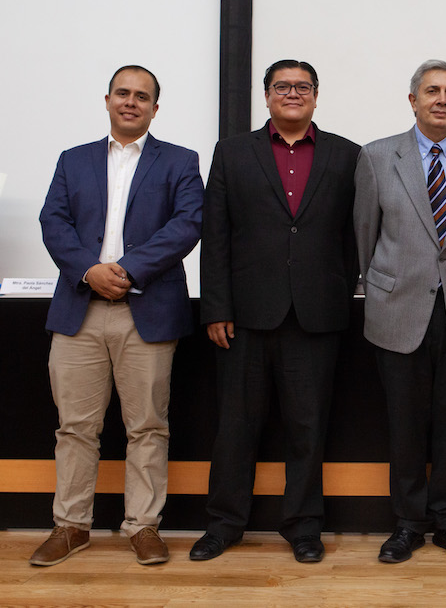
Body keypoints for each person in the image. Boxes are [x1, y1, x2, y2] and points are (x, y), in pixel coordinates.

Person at [190, 60, 361, 564]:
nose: (292, 93)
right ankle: (224, 524)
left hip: (317, 316)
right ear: (266, 96)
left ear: (315, 96)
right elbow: (216, 234)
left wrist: (340, 289)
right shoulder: (232, 152)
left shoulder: (347, 155)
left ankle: (304, 526)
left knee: (308, 429)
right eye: (282, 86)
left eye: (302, 87)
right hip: (242, 317)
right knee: (235, 428)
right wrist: (216, 306)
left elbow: (354, 234)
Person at [35, 65, 203, 566]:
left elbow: (187, 225)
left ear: (155, 107)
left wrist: (126, 270)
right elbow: (53, 221)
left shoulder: (179, 161)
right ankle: (70, 526)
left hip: (145, 308)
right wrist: (89, 270)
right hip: (79, 309)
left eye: (142, 96)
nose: (131, 102)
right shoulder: (73, 160)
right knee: (75, 427)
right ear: (107, 99)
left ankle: (143, 526)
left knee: (148, 426)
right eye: (123, 93)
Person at [354, 59, 446, 563]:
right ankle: (408, 522)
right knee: (404, 423)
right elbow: (364, 237)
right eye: (432, 90)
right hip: (398, 307)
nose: (442, 98)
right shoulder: (376, 157)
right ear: (412, 99)